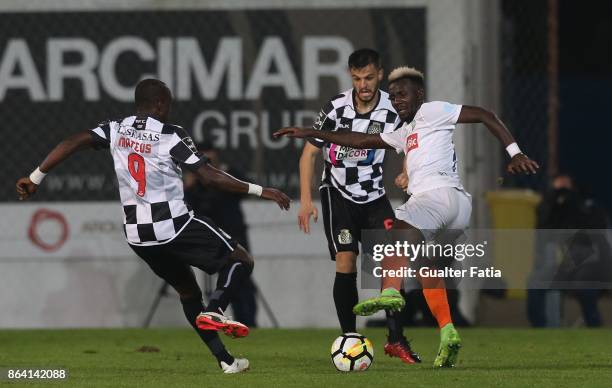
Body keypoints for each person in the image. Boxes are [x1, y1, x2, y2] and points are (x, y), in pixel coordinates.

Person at [16, 79, 291, 374]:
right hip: (174, 225)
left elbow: (72, 142)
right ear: (160, 104)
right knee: (241, 260)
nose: (169, 110)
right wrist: (262, 191)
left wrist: (35, 177)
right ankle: (216, 309)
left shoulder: (116, 128)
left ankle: (226, 361)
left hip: (138, 235)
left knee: (188, 292)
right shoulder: (171, 135)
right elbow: (210, 176)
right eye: (168, 105)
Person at [275, 66, 538, 367]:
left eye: (403, 95)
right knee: (425, 267)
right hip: (455, 209)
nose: (398, 101)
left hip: (438, 198)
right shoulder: (405, 131)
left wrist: (515, 152)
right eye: (395, 97)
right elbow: (359, 141)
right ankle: (448, 331)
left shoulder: (434, 110)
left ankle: (389, 293)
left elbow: (485, 114)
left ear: (419, 95)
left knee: (393, 237)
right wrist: (313, 133)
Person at [297, 48, 420, 364]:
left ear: (380, 74)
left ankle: (396, 339)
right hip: (337, 195)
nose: (362, 85)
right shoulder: (336, 108)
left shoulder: (392, 111)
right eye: (356, 78)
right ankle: (350, 337)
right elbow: (309, 154)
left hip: (375, 197)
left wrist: (407, 171)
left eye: (368, 77)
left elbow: (410, 142)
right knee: (346, 261)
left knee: (393, 263)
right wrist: (306, 201)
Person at [184, 141, 258, 327]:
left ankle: (247, 322)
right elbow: (184, 205)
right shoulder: (195, 180)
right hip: (207, 236)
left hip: (234, 233)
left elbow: (243, 190)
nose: (207, 157)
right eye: (202, 154)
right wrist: (189, 185)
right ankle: (215, 314)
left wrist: (219, 175)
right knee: (222, 279)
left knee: (241, 277)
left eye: (210, 153)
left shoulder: (229, 172)